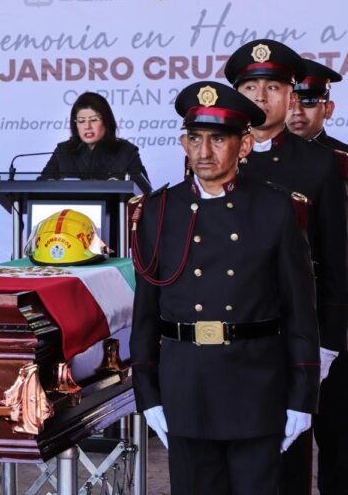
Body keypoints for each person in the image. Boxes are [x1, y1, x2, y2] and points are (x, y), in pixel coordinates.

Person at [130, 81, 320, 495]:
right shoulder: (159, 210)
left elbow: (300, 311)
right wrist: (147, 391)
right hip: (186, 387)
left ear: (244, 146)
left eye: (218, 140)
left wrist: (303, 396)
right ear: (183, 142)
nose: (204, 152)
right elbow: (144, 311)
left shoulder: (275, 209)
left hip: (255, 388)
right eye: (195, 139)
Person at [225, 40, 348, 494]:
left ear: (290, 96)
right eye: (250, 86)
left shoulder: (318, 164)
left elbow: (336, 262)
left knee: (287, 468)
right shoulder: (213, 158)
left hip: (292, 339)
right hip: (228, 340)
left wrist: (329, 347)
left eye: (272, 87)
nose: (260, 96)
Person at [286, 58, 348, 495]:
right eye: (291, 101)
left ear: (327, 108)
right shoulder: (247, 161)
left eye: (309, 103)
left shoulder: (343, 163)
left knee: (339, 440)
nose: (297, 112)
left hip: (333, 318)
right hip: (277, 323)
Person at [39, 91, 151, 191]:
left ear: (106, 121)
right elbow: (40, 185)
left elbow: (143, 190)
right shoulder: (63, 151)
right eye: (81, 121)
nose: (87, 126)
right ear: (75, 124)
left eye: (93, 120)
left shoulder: (126, 151)